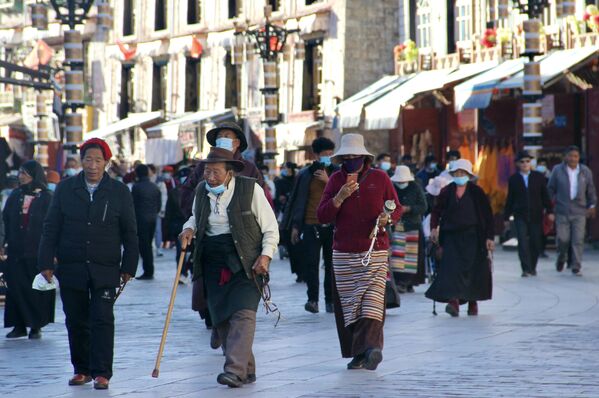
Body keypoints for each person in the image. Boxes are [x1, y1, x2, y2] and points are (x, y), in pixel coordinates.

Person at [38, 138, 138, 390]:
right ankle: (81, 368)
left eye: (98, 160)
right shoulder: (65, 189)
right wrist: (45, 261)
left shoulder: (119, 192)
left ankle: (102, 372)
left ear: (106, 163)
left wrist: (129, 266)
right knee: (76, 319)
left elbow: (130, 232)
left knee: (103, 318)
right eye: (88, 160)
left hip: (105, 267)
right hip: (72, 266)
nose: (92, 165)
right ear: (81, 161)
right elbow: (51, 228)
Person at [179, 147, 279, 388]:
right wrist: (188, 228)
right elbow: (195, 216)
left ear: (230, 172)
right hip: (212, 261)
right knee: (221, 317)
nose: (209, 176)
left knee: (243, 314)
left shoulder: (249, 189)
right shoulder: (202, 190)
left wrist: (265, 257)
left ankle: (234, 370)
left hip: (246, 261)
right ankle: (247, 368)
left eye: (215, 172)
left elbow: (270, 228)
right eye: (206, 171)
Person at [317, 133, 402, 371]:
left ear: (364, 157)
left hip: (375, 250)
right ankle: (359, 353)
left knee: (372, 303)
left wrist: (388, 218)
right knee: (349, 306)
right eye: (347, 157)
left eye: (356, 156)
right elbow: (322, 215)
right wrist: (339, 197)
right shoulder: (335, 180)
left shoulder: (380, 177)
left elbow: (396, 207)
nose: (351, 160)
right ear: (342, 158)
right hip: (344, 253)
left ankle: (373, 348)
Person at [425, 159, 494, 317]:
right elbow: (436, 211)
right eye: (456, 173)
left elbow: (487, 216)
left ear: (469, 175)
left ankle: (472, 302)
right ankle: (454, 302)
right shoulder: (447, 191)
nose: (459, 175)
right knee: (451, 269)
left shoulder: (477, 192)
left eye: (462, 173)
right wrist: (434, 228)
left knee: (472, 269)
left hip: (473, 236)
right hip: (451, 236)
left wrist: (489, 237)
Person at [285, 137, 338, 314]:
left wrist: (327, 180)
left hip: (332, 225)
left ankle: (330, 300)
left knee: (331, 265)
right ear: (316, 154)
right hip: (310, 225)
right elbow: (298, 202)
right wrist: (295, 227)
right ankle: (313, 300)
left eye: (331, 154)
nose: (328, 157)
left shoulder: (337, 174)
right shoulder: (305, 175)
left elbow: (344, 195)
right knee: (311, 265)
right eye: (325, 154)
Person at [3, 161, 54, 339]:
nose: (21, 176)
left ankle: (35, 325)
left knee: (36, 290)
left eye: (25, 173)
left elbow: (54, 225)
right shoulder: (15, 196)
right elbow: (5, 221)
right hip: (17, 252)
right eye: (20, 173)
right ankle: (19, 325)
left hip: (38, 253)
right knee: (16, 288)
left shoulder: (47, 198)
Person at [180, 122, 264, 218]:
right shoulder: (202, 166)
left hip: (241, 226)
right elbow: (186, 192)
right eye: (219, 137)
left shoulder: (249, 169)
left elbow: (261, 201)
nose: (222, 139)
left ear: (237, 143)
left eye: (226, 136)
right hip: (207, 225)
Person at [547, 146, 597, 276]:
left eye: (576, 156)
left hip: (579, 211)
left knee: (578, 239)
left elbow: (591, 191)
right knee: (563, 239)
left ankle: (576, 266)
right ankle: (561, 257)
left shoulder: (585, 171)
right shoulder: (558, 170)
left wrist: (592, 205)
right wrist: (550, 207)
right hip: (562, 210)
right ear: (565, 157)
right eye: (570, 156)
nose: (573, 158)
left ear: (579, 157)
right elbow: (550, 189)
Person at [504, 151, 553, 277]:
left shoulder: (538, 177)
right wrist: (506, 217)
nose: (525, 164)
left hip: (536, 214)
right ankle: (525, 268)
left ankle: (532, 266)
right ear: (518, 164)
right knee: (522, 242)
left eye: (527, 161)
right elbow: (510, 198)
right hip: (520, 214)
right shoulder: (514, 179)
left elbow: (545, 196)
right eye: (522, 162)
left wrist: (550, 211)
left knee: (536, 242)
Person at [389, 165, 427, 293]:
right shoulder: (392, 188)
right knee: (398, 256)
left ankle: (410, 282)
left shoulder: (416, 188)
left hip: (413, 226)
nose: (400, 183)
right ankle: (401, 282)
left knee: (412, 256)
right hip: (398, 225)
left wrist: (409, 209)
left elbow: (423, 206)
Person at [132, 164, 161, 280]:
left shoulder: (137, 187)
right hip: (152, 218)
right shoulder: (154, 187)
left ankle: (148, 271)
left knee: (144, 246)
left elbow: (133, 204)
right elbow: (158, 205)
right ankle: (149, 270)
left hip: (141, 219)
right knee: (148, 244)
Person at [165, 167, 192, 284]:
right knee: (183, 251)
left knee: (183, 251)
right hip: (181, 226)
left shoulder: (193, 191)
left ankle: (183, 273)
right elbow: (169, 212)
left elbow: (168, 213)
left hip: (183, 225)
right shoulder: (190, 191)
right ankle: (182, 273)